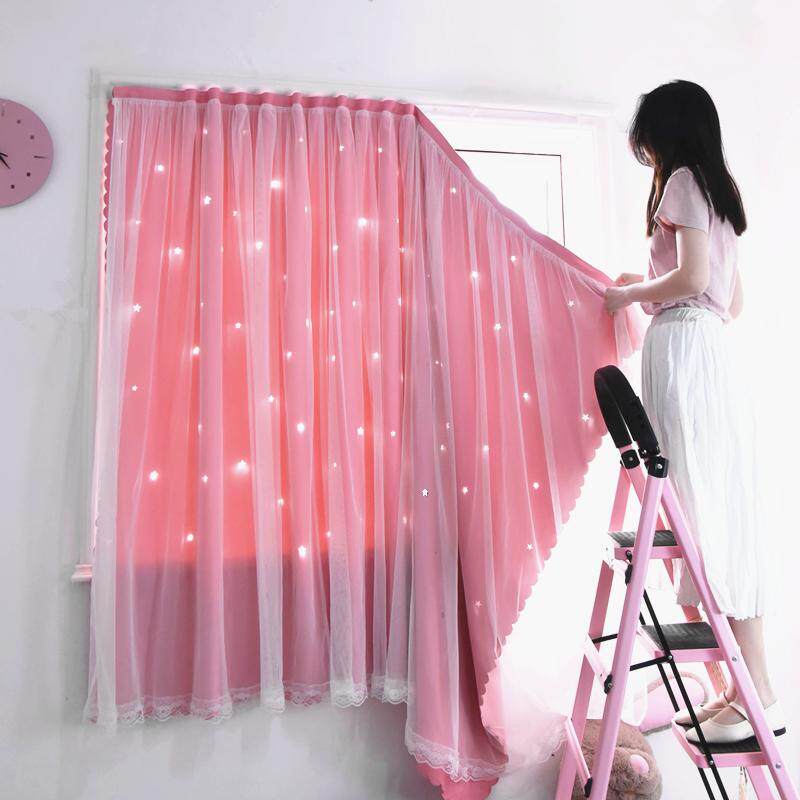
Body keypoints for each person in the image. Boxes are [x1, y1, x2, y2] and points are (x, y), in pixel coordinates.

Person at [603, 79, 783, 744]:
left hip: (684, 353)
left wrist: (631, 296)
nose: (647, 154)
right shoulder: (718, 189)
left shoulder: (682, 180)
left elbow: (694, 282)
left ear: (665, 132)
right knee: (716, 512)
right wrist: (651, 289)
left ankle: (756, 690)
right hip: (708, 353)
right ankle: (744, 689)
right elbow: (729, 300)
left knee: (701, 516)